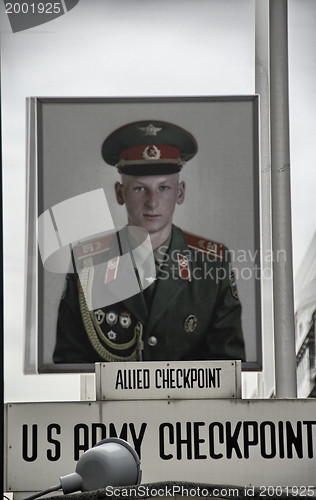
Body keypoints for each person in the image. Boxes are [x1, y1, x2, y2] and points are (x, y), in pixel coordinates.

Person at [53, 121, 245, 364]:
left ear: (180, 192)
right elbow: (70, 366)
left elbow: (228, 367)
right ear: (120, 194)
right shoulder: (87, 262)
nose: (152, 202)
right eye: (139, 189)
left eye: (163, 188)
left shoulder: (213, 263)